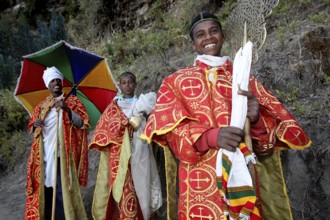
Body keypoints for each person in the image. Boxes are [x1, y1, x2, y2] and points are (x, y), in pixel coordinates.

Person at [142, 12, 311, 220]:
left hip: (243, 178)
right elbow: (171, 132)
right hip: (200, 182)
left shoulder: (243, 77)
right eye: (201, 35)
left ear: (223, 36)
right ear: (193, 43)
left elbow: (266, 146)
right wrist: (211, 137)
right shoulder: (175, 82)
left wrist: (256, 119)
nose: (208, 38)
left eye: (214, 31)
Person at [89, 71, 162, 220]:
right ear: (119, 85)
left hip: (140, 151)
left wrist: (145, 119)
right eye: (124, 82)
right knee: (122, 186)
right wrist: (123, 126)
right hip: (118, 154)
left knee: (141, 183)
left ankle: (143, 215)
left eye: (130, 82)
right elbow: (104, 129)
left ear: (135, 84)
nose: (127, 85)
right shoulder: (113, 107)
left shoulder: (142, 103)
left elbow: (151, 126)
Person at [24, 66, 90, 220]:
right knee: (46, 189)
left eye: (58, 80)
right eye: (52, 80)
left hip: (63, 154)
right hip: (44, 155)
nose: (56, 83)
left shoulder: (72, 101)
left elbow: (82, 123)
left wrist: (67, 109)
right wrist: (36, 124)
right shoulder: (42, 106)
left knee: (61, 190)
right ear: (48, 85)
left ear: (61, 82)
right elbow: (32, 128)